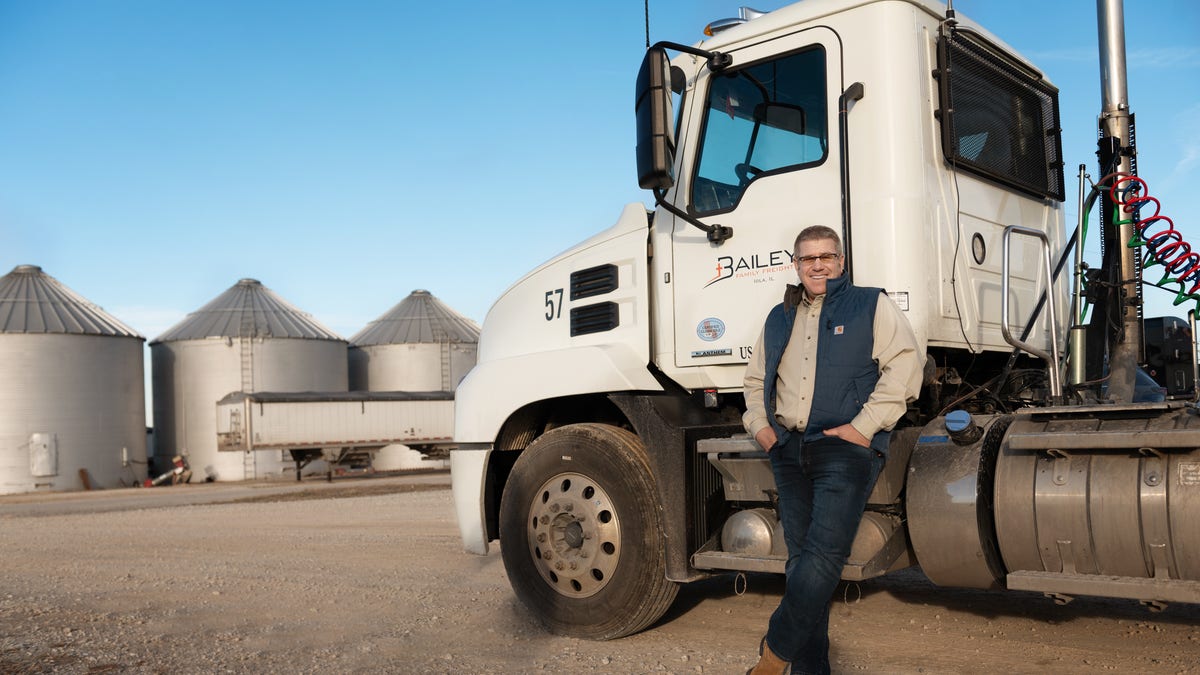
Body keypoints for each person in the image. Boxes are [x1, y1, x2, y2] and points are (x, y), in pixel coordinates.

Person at [743, 225, 923, 675]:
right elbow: (753, 380)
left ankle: (773, 655)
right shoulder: (778, 317)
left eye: (826, 256)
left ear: (841, 262)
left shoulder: (869, 303)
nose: (817, 265)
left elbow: (906, 365)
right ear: (797, 265)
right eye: (808, 259)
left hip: (842, 449)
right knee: (803, 564)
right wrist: (762, 430)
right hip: (788, 448)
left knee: (823, 559)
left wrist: (863, 428)